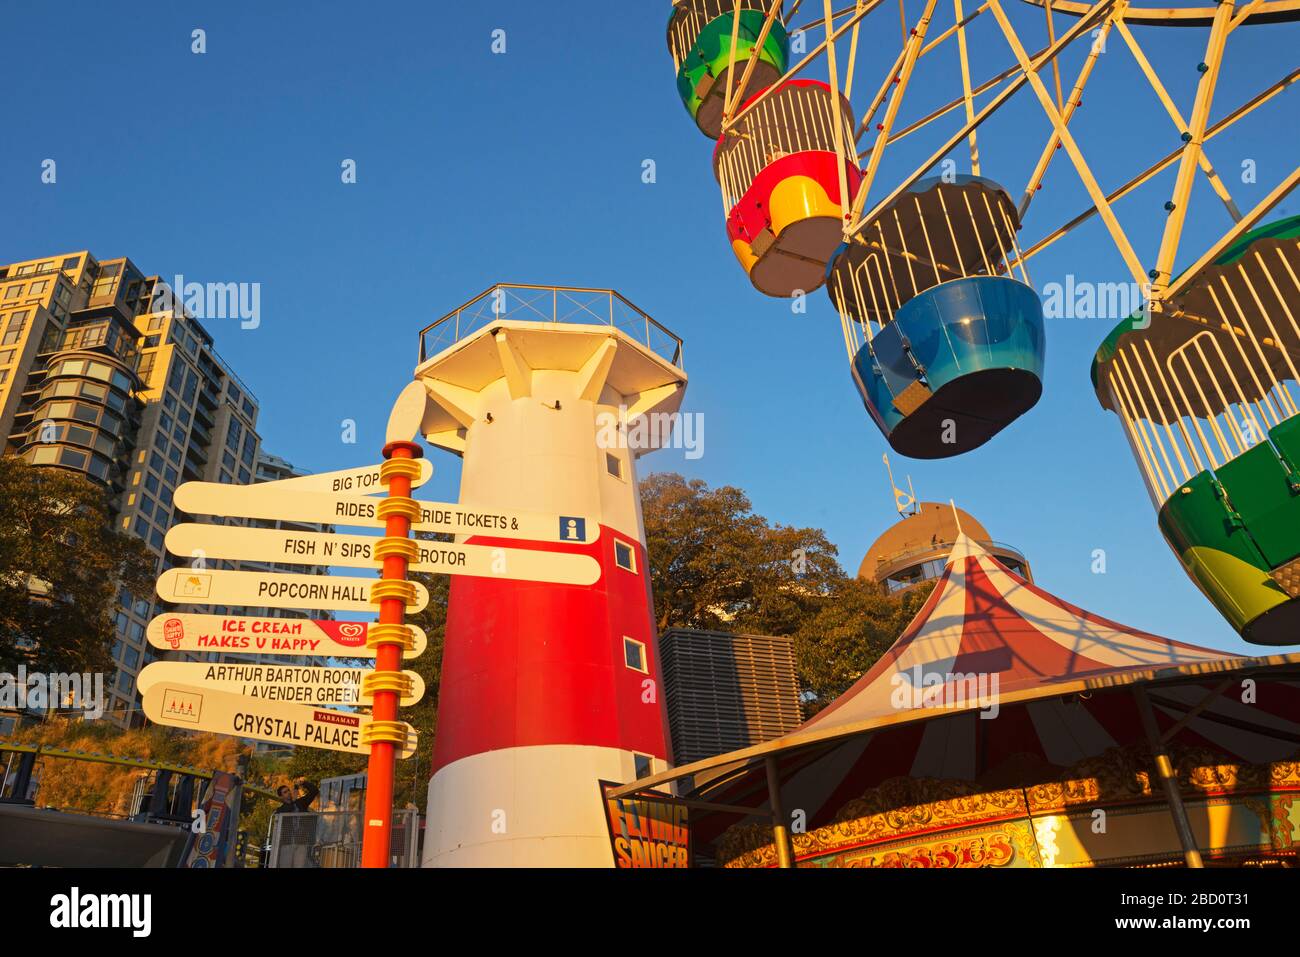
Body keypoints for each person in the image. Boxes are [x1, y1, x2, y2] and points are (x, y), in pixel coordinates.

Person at [273, 780, 319, 868]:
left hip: (301, 843)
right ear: (281, 797)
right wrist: (293, 800)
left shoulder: (301, 803)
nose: (288, 793)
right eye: (285, 792)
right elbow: (286, 811)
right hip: (287, 845)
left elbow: (314, 791)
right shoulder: (280, 810)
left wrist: (304, 783)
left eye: (288, 790)